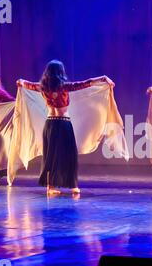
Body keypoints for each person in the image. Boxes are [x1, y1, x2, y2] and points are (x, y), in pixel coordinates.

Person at [17, 60, 114, 195]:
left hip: (50, 124)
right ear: (60, 73)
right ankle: (69, 185)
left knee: (51, 156)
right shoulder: (63, 87)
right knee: (67, 155)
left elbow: (26, 84)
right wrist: (103, 78)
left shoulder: (42, 87)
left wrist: (20, 82)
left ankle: (52, 187)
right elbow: (86, 83)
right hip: (62, 123)